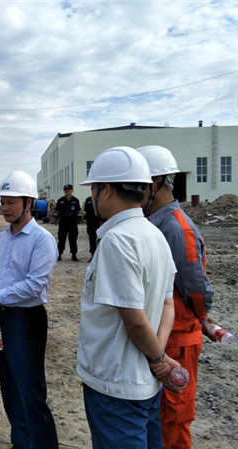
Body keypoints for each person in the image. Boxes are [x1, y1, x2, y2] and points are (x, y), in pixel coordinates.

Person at [76, 146, 182, 449]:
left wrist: (158, 359)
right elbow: (167, 304)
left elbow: (134, 319)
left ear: (107, 189)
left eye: (94, 189)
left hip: (116, 386)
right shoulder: (154, 234)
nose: (93, 197)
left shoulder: (118, 240)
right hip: (144, 383)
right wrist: (158, 356)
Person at [137, 145, 219, 449]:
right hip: (161, 337)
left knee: (174, 418)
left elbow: (197, 290)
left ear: (156, 183)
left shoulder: (175, 227)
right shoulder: (155, 223)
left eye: (138, 185)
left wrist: (201, 317)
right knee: (156, 417)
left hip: (179, 339)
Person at [0, 170, 59, 449]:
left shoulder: (41, 240)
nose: (4, 207)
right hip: (1, 317)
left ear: (28, 203)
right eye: (2, 201)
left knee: (30, 391)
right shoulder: (2, 239)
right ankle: (21, 442)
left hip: (27, 321)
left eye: (11, 202)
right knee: (10, 387)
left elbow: (34, 286)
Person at [55, 184, 81, 261]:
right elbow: (57, 211)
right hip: (63, 223)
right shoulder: (60, 200)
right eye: (66, 190)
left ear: (72, 190)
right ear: (64, 191)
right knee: (61, 239)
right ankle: (59, 254)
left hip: (72, 223)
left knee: (73, 239)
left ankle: (74, 255)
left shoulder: (75, 200)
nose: (67, 191)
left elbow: (78, 211)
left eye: (69, 190)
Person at [83, 196, 100, 261]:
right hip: (90, 224)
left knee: (100, 239)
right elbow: (86, 211)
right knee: (92, 240)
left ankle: (100, 255)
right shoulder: (88, 199)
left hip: (99, 223)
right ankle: (93, 254)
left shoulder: (101, 198)